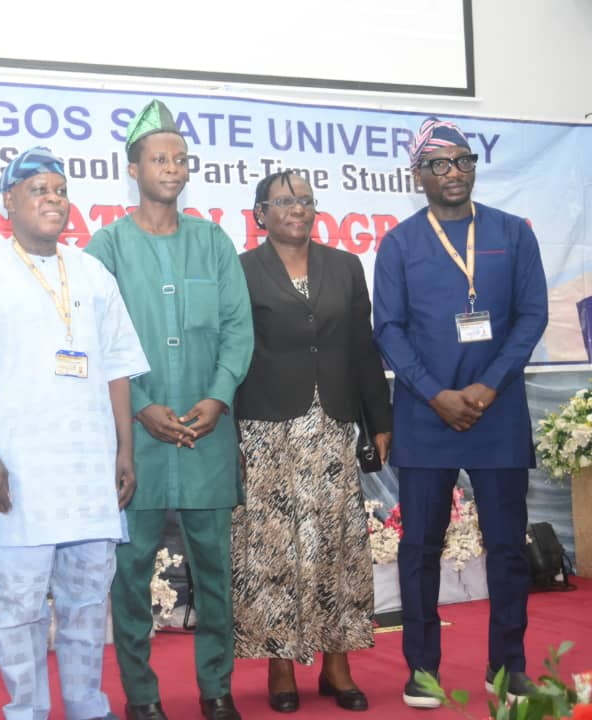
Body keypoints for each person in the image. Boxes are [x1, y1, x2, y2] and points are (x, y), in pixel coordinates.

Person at [0, 146, 149, 720]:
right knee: (23, 607)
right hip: (17, 473)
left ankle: (87, 706)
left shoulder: (92, 272)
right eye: (39, 190)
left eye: (60, 190)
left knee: (85, 604)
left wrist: (125, 449)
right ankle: (25, 710)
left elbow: (119, 366)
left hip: (89, 471)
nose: (53, 200)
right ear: (8, 201)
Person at [85, 99, 254, 720]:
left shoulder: (212, 242)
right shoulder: (105, 247)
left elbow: (237, 330)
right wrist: (143, 409)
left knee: (215, 576)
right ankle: (142, 698)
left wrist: (218, 396)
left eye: (181, 158)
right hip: (138, 441)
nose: (173, 168)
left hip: (208, 436)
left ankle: (216, 690)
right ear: (133, 167)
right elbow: (96, 338)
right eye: (160, 158)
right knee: (130, 579)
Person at [373, 117, 548, 708]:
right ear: (417, 174)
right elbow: (388, 330)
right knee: (419, 547)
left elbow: (532, 317)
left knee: (506, 547)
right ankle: (422, 670)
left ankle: (509, 668)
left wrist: (488, 387)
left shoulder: (512, 233)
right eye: (440, 164)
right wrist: (436, 395)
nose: (454, 172)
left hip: (496, 415)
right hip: (427, 417)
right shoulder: (399, 243)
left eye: (464, 160)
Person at [232, 171, 393, 713]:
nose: (296, 208)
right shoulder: (241, 271)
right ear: (260, 213)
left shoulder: (345, 267)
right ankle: (280, 667)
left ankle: (337, 665)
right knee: (275, 550)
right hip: (266, 429)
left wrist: (380, 421)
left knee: (336, 546)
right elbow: (230, 353)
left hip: (331, 429)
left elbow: (362, 350)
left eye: (304, 200)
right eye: (283, 200)